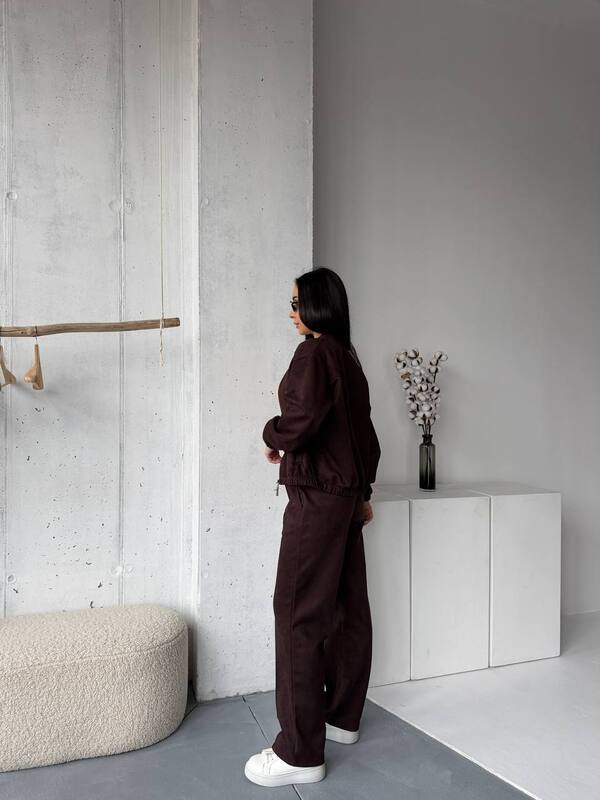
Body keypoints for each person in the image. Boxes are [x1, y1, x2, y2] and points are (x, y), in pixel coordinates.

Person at [244, 267, 381, 787]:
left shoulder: (314, 353)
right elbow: (365, 437)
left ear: (320, 305)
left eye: (297, 302)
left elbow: (300, 422)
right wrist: (362, 495)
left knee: (297, 612)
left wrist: (271, 433)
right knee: (346, 608)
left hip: (317, 496)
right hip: (344, 498)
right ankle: (341, 717)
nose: (291, 312)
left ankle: (299, 753)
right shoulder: (348, 358)